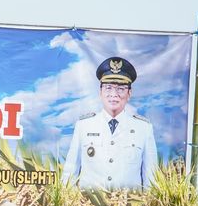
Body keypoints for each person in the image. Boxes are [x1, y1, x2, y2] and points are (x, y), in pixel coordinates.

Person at [62, 56, 158, 190]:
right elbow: (70, 173)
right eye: (108, 88)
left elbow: (151, 178)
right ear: (100, 92)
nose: (114, 94)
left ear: (129, 93)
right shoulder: (84, 125)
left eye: (121, 89)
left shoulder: (143, 128)